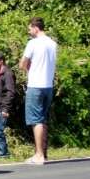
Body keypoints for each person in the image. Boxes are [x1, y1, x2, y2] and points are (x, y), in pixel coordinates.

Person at [19, 17, 57, 165]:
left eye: (30, 29)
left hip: (35, 85)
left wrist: (29, 69)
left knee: (36, 120)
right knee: (43, 119)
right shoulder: (52, 44)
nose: (29, 32)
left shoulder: (32, 43)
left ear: (36, 28)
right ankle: (44, 153)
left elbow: (23, 64)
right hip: (48, 85)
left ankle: (39, 155)